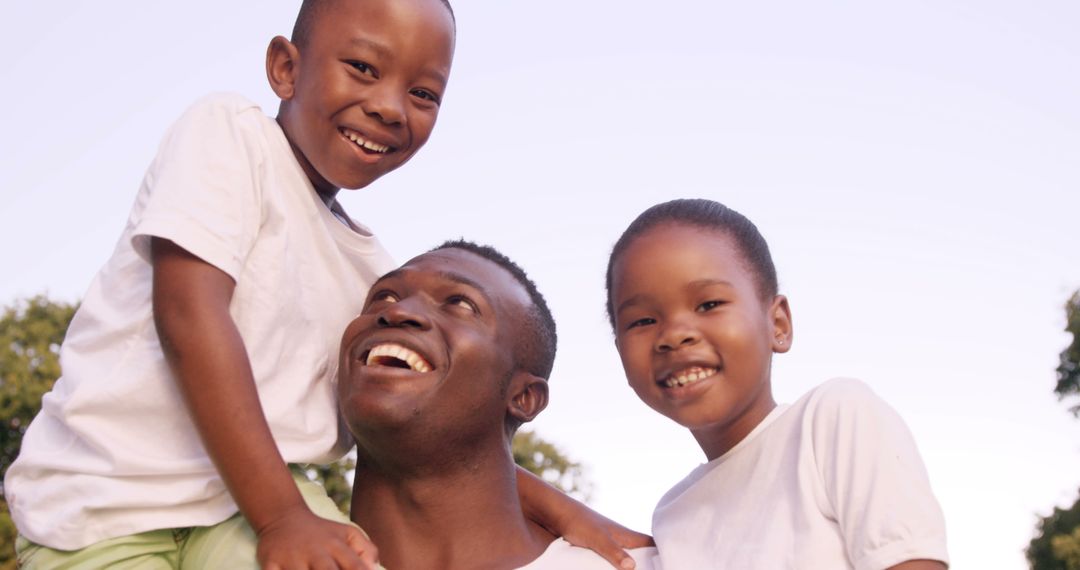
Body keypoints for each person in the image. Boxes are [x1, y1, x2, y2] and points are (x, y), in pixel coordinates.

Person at [4, 1, 645, 568]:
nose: (389, 106)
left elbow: (436, 437)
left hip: (239, 505)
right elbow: (189, 317)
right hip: (103, 504)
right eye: (364, 69)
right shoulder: (230, 135)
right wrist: (282, 517)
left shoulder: (377, 283)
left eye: (423, 94)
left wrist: (567, 515)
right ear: (285, 68)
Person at [604, 198, 949, 569]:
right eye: (642, 321)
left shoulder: (832, 420)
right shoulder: (672, 517)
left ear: (778, 324)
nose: (674, 335)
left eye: (708, 304)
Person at [337, 240, 659, 570]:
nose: (397, 311)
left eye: (460, 304)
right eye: (384, 296)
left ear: (524, 398)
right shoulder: (287, 541)